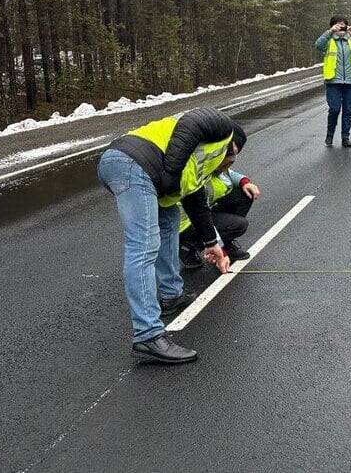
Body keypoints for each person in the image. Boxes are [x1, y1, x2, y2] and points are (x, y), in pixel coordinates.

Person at [97, 107, 244, 363]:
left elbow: (196, 203)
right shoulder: (222, 126)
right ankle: (147, 335)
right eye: (230, 162)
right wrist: (171, 175)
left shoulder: (201, 165)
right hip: (131, 163)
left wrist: (213, 245)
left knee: (169, 223)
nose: (227, 168)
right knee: (143, 246)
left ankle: (171, 295)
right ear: (232, 147)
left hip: (139, 167)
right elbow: (191, 122)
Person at [178, 149, 261, 269]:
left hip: (207, 210)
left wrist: (245, 182)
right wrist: (219, 251)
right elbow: (202, 217)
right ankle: (187, 245)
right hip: (187, 221)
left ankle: (225, 241)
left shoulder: (219, 169)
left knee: (245, 194)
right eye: (224, 164)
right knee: (239, 225)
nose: (226, 167)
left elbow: (230, 174)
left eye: (230, 163)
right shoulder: (201, 176)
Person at [315, 14, 351, 147]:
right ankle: (330, 135)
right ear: (332, 26)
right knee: (335, 109)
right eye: (337, 24)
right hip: (333, 81)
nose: (340, 26)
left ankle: (345, 137)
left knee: (348, 110)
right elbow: (318, 45)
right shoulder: (329, 40)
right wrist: (329, 32)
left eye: (343, 24)